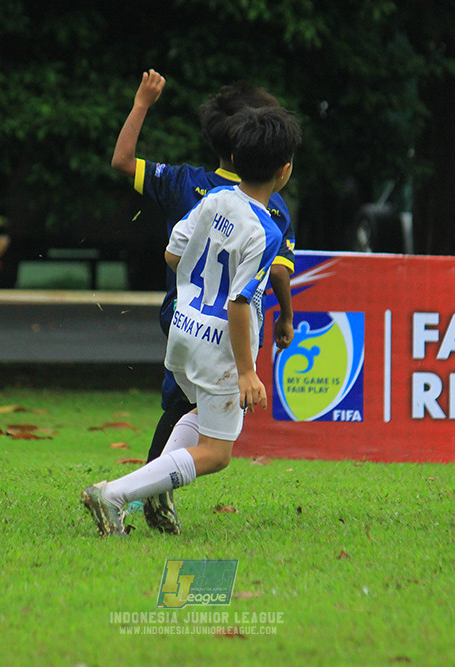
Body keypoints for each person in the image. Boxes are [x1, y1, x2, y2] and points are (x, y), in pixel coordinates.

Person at [83, 105, 303, 537]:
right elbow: (240, 303)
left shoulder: (214, 198)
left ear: (235, 161)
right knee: (217, 453)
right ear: (285, 170)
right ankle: (113, 495)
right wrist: (246, 372)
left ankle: (152, 487)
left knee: (199, 418)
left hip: (183, 331)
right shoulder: (267, 229)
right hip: (218, 347)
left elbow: (172, 253)